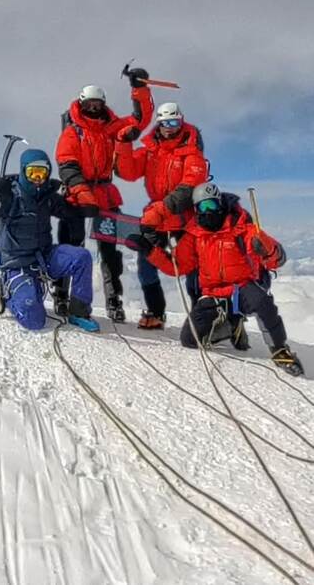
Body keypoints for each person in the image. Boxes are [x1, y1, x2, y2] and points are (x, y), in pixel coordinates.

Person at [145, 182, 304, 376]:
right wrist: (151, 252)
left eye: (212, 205)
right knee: (189, 339)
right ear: (196, 209)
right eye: (203, 206)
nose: (208, 210)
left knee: (263, 303)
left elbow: (277, 260)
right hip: (213, 292)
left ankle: (280, 351)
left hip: (242, 287)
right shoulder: (194, 235)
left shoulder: (242, 228)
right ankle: (230, 327)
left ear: (220, 204)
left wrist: (267, 247)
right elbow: (177, 266)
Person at [55, 68, 154, 322]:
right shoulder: (73, 132)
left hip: (105, 193)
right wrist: (82, 192)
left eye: (98, 103)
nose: (94, 107)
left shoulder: (111, 127)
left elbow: (140, 119)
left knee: (109, 251)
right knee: (70, 246)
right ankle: (61, 295)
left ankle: (113, 299)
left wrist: (139, 88)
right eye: (89, 103)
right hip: (77, 195)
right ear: (81, 103)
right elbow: (67, 165)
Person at [0, 148, 100, 332]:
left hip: (43, 257)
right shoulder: (8, 195)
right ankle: (10, 295)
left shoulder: (47, 197)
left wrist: (84, 210)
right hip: (17, 264)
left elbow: (67, 212)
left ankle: (78, 312)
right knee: (34, 321)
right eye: (32, 172)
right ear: (24, 171)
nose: (38, 178)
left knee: (81, 257)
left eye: (42, 172)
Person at [115, 101, 208, 329]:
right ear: (158, 124)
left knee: (192, 266)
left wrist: (160, 210)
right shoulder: (150, 150)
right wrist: (123, 143)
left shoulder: (192, 151)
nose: (169, 127)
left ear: (181, 121)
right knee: (146, 262)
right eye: (165, 122)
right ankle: (156, 311)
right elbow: (128, 172)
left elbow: (190, 187)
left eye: (174, 121)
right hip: (156, 216)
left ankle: (201, 314)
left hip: (184, 217)